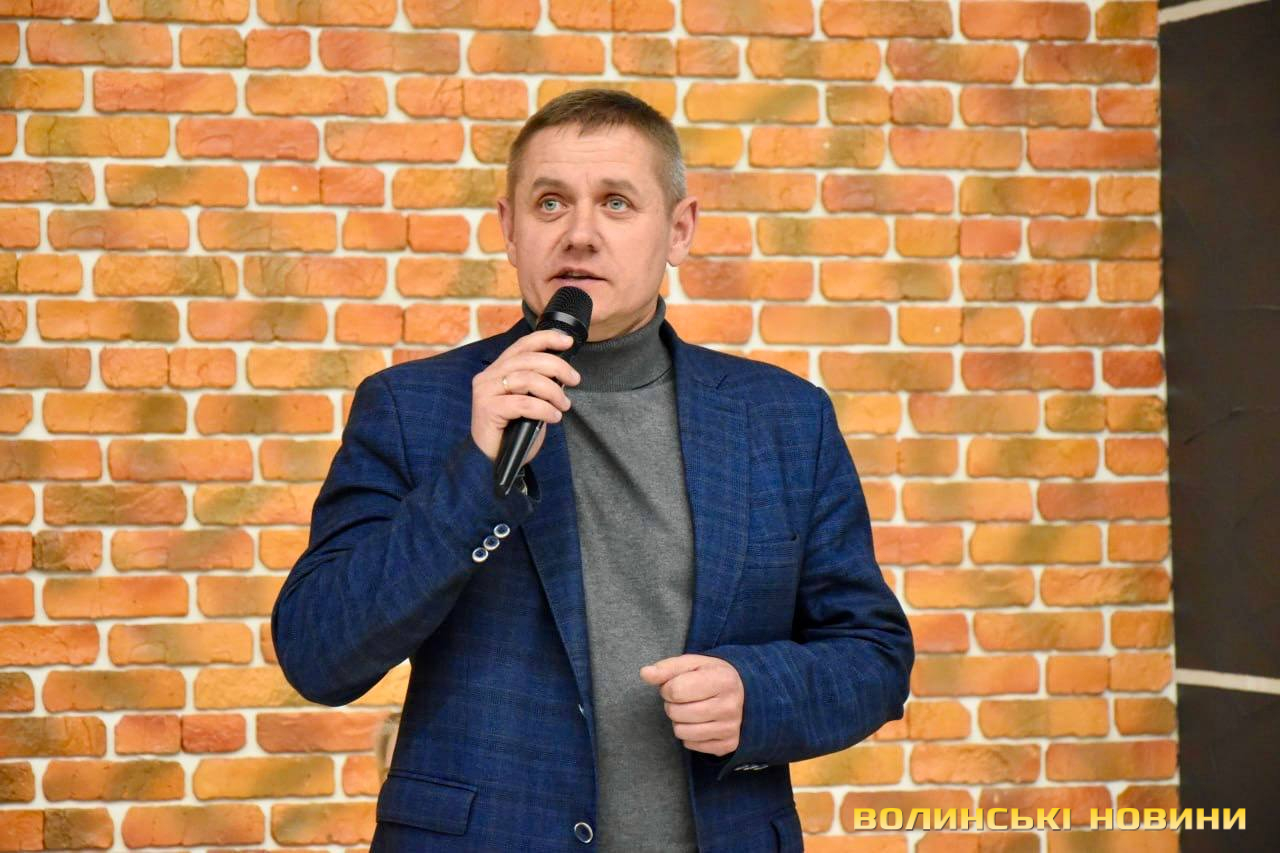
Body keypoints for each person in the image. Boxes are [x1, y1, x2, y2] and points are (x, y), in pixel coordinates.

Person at [271, 89, 914, 852]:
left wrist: (760, 694)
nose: (579, 233)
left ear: (679, 229)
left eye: (616, 202)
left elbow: (873, 655)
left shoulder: (784, 419)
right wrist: (474, 474)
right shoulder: (415, 408)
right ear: (509, 229)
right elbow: (318, 653)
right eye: (550, 203)